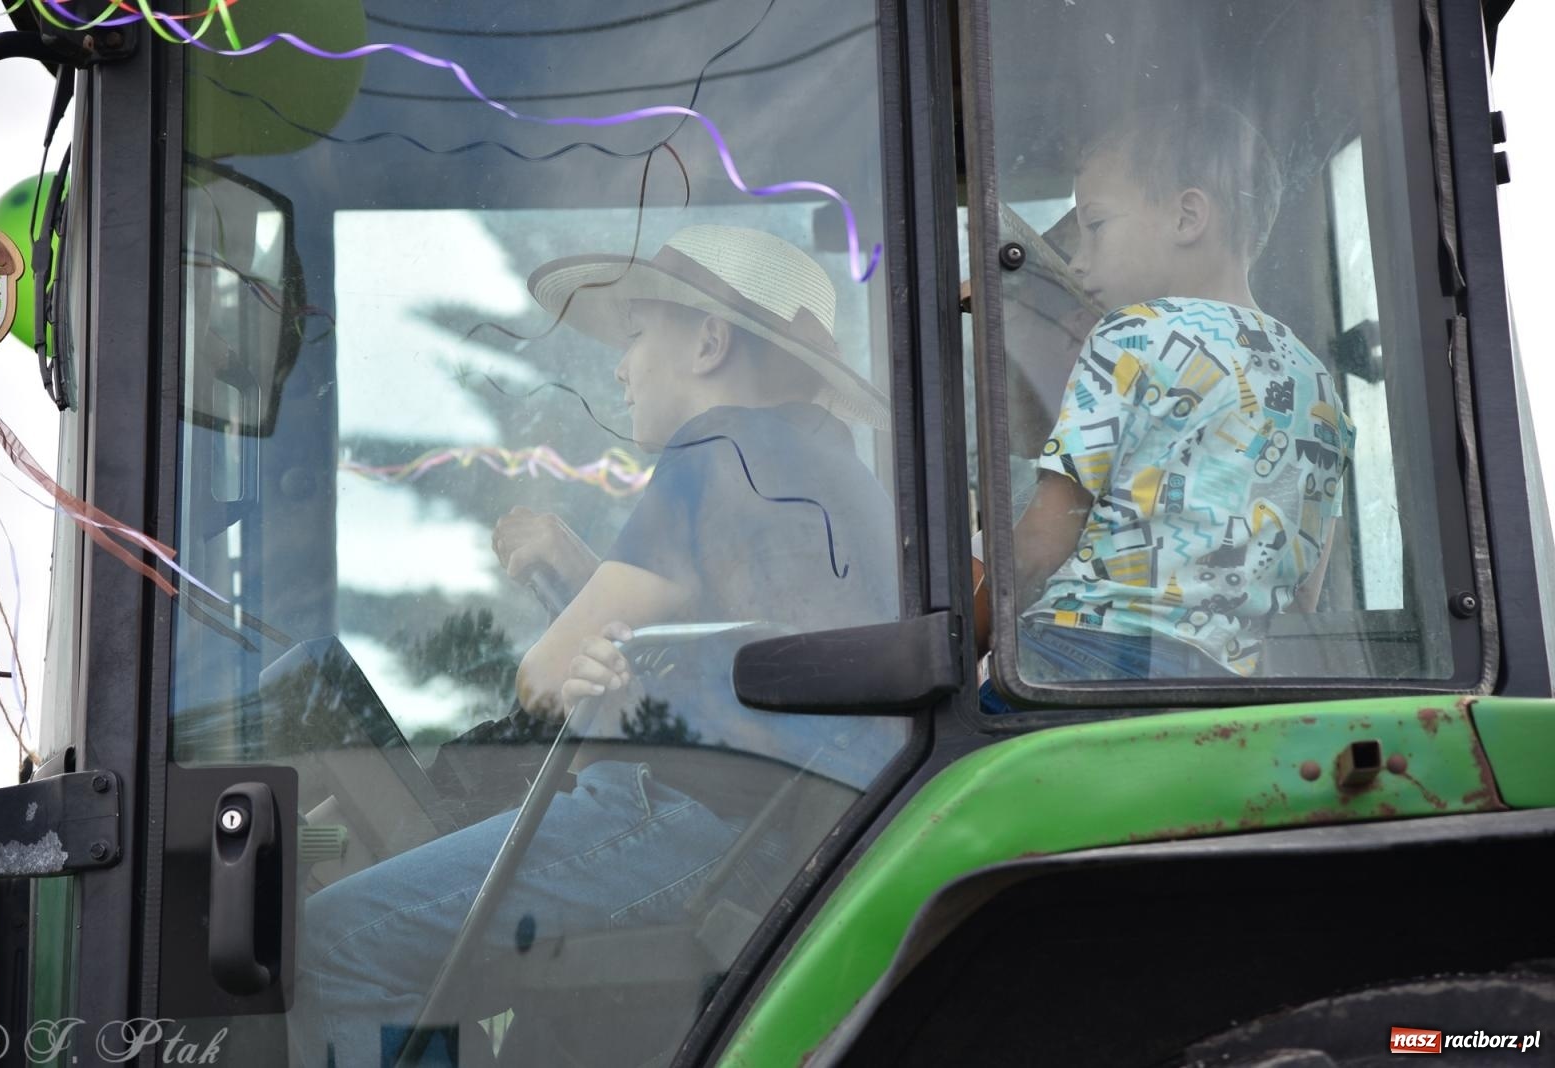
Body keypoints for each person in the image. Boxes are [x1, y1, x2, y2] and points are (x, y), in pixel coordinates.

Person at [288, 225, 897, 1066]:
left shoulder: (719, 450)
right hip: (771, 832)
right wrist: (583, 568)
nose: (619, 365)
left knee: (339, 942)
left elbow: (544, 680)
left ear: (710, 342)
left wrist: (575, 604)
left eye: (639, 334)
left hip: (687, 818)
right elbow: (705, 633)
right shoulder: (824, 470)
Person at [974, 102, 1356, 686]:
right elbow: (1302, 595)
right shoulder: (1319, 388)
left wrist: (965, 628)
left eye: (1095, 226)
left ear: (1187, 218)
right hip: (1228, 682)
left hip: (1081, 652)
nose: (1077, 263)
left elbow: (1046, 537)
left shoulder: (1131, 333)